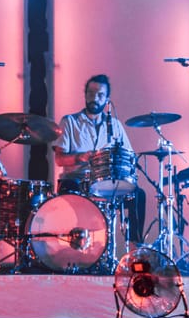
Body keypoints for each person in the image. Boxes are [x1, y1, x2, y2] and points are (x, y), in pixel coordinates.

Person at [53, 74, 145, 245]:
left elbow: (129, 156)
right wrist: (82, 157)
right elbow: (59, 160)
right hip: (76, 181)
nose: (95, 98)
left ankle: (135, 248)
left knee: (138, 195)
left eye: (100, 94)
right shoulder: (69, 122)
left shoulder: (115, 125)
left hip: (107, 182)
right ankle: (76, 248)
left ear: (107, 100)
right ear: (85, 94)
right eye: (90, 93)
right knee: (70, 189)